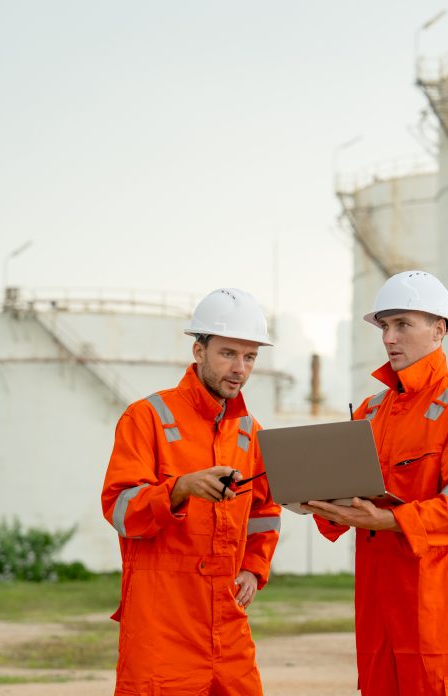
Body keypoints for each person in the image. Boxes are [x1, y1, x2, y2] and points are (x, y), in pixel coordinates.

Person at [305, 270, 448, 696]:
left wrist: (389, 520)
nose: (389, 338)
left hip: (439, 596)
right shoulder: (370, 413)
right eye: (385, 326)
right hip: (378, 595)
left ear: (439, 329)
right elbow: (348, 500)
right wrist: (317, 500)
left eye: (402, 325)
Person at [101, 288, 282, 696]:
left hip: (227, 622)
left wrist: (254, 567)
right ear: (198, 351)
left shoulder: (251, 433)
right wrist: (179, 488)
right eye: (228, 353)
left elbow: (266, 511)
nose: (239, 368)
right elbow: (120, 509)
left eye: (250, 356)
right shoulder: (147, 418)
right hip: (161, 625)